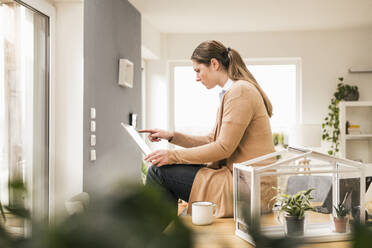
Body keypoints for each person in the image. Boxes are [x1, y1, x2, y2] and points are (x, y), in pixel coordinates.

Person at [140, 40, 276, 218]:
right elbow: (212, 140)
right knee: (163, 172)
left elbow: (222, 148)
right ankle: (166, 233)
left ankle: (155, 238)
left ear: (214, 64)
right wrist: (172, 136)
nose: (196, 77)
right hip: (242, 181)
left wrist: (172, 156)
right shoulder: (234, 92)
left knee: (158, 172)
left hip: (248, 189)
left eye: (198, 70)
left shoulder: (240, 92)